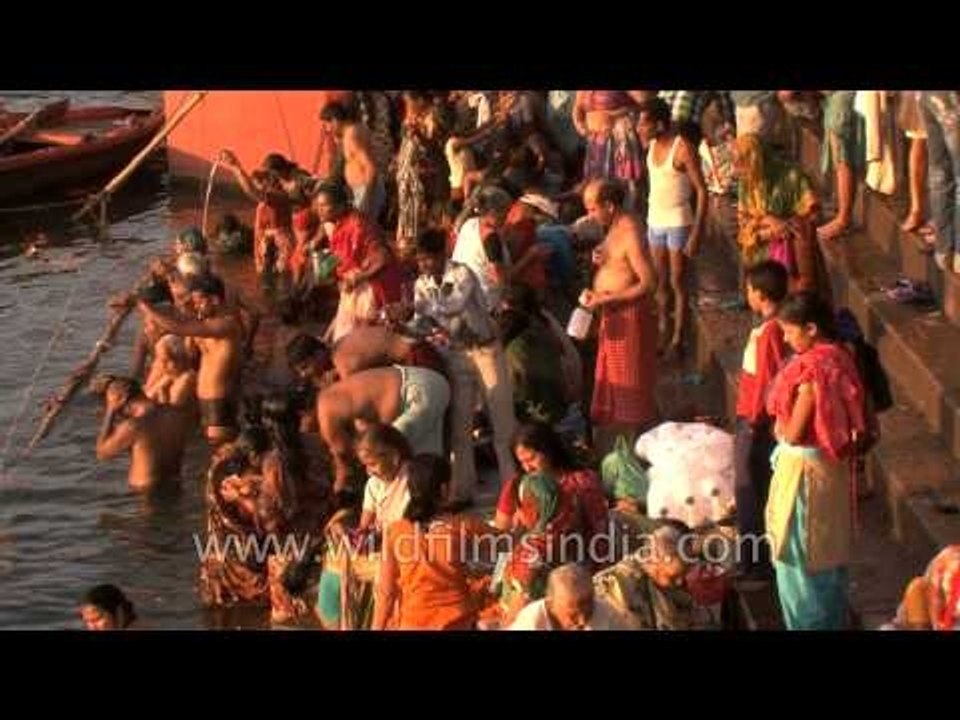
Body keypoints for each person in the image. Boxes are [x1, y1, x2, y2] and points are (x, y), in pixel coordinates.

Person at [765, 292, 867, 630]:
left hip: (804, 477)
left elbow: (794, 433)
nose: (785, 339)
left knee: (799, 562)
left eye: (789, 331)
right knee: (829, 558)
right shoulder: (842, 356)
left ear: (811, 329)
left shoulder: (810, 371)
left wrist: (781, 430)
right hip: (831, 473)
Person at [409, 228, 517, 505]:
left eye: (428, 258)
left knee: (503, 425)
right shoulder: (420, 284)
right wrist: (400, 323)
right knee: (460, 429)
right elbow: (422, 327)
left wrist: (415, 310)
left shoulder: (461, 274)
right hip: (456, 355)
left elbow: (451, 306)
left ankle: (513, 491)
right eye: (419, 259)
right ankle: (462, 492)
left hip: (486, 351)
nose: (424, 264)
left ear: (442, 254)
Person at [579, 179, 659, 455]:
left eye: (592, 208)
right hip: (611, 315)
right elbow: (619, 264)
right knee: (615, 388)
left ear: (610, 206)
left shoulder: (631, 231)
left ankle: (634, 453)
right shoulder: (613, 226)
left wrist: (605, 299)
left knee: (629, 389)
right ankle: (623, 449)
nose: (589, 215)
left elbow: (648, 283)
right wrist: (601, 259)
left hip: (629, 318)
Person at [372, 454, 498, 630]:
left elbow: (386, 592)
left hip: (413, 623)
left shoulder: (395, 531)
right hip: (458, 621)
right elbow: (508, 545)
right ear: (444, 489)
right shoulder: (464, 525)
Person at [138, 274, 245, 444]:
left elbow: (179, 328)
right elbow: (181, 323)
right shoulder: (206, 321)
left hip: (219, 400)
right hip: (207, 400)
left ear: (215, 300)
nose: (196, 306)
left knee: (222, 452)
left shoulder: (227, 324)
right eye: (194, 302)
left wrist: (144, 307)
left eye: (199, 301)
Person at [637, 97, 707, 355]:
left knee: (678, 281)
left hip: (678, 220)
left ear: (658, 125)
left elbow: (702, 191)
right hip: (655, 219)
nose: (639, 128)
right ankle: (663, 330)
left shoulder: (683, 148)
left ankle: (678, 338)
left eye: (643, 124)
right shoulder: (651, 145)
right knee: (660, 280)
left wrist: (697, 232)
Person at [734, 261, 789, 580]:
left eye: (749, 289)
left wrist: (754, 421)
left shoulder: (768, 332)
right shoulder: (779, 326)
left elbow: (767, 381)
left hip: (756, 422)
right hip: (763, 421)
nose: (747, 294)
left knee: (749, 493)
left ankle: (754, 564)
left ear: (759, 294)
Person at [315, 364, 450, 493]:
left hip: (417, 394)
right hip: (429, 383)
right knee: (430, 465)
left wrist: (338, 489)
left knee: (388, 465)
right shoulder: (338, 397)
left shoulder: (324, 410)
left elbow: (344, 459)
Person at [734, 134, 832, 303]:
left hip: (793, 253)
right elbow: (744, 224)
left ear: (756, 160)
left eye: (740, 163)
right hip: (760, 257)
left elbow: (814, 214)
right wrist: (768, 224)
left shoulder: (791, 177)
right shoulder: (746, 183)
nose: (735, 170)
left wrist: (786, 225)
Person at [494, 422, 609, 566]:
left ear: (549, 451)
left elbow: (599, 529)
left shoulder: (582, 482)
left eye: (531, 459)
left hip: (578, 563)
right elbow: (500, 535)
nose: (527, 468)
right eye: (522, 462)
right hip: (528, 562)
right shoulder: (516, 486)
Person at [314, 180, 404, 343]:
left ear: (340, 206)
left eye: (323, 205)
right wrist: (328, 269)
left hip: (373, 289)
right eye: (317, 205)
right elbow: (345, 256)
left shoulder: (358, 225)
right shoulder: (340, 225)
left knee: (358, 342)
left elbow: (383, 257)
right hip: (356, 287)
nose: (318, 210)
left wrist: (357, 278)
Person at [93, 375, 188, 490]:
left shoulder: (132, 427)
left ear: (122, 399)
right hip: (175, 485)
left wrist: (110, 410)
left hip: (145, 492)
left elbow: (102, 453)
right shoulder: (174, 413)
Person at [508, 563, 633, 630]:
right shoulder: (531, 623)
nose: (582, 621)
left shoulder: (607, 614)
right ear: (551, 605)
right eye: (573, 615)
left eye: (588, 611)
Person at [320, 101, 386, 221]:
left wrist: (367, 196)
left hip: (367, 189)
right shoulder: (353, 131)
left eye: (326, 125)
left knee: (364, 226)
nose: (327, 130)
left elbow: (369, 166)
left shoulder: (351, 135)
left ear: (334, 120)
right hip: (364, 189)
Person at [144, 334, 198, 411]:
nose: (162, 365)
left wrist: (162, 394)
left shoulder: (187, 378)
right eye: (160, 360)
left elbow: (170, 412)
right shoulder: (170, 376)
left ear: (180, 359)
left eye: (166, 360)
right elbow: (148, 397)